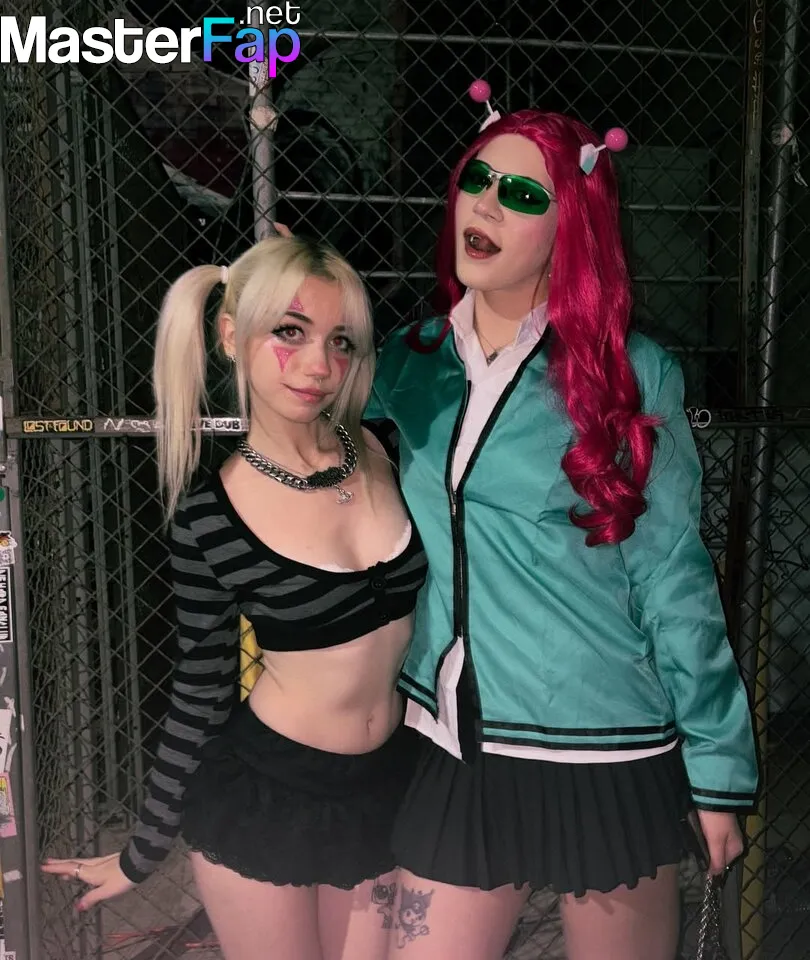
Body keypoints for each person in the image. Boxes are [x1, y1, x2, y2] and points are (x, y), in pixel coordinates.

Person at [365, 103, 759, 960]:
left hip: (602, 739)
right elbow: (305, 406)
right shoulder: (410, 355)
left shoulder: (632, 371)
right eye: (476, 179)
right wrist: (293, 298)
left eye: (521, 194)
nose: (485, 203)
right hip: (456, 734)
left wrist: (717, 768)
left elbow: (672, 576)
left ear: (570, 227)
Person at [42, 234, 428, 960]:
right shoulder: (209, 517)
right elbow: (200, 687)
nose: (318, 365)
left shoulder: (385, 448)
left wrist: (306, 271)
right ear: (230, 335)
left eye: (340, 340)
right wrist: (143, 849)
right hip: (266, 793)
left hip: (389, 782)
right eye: (289, 331)